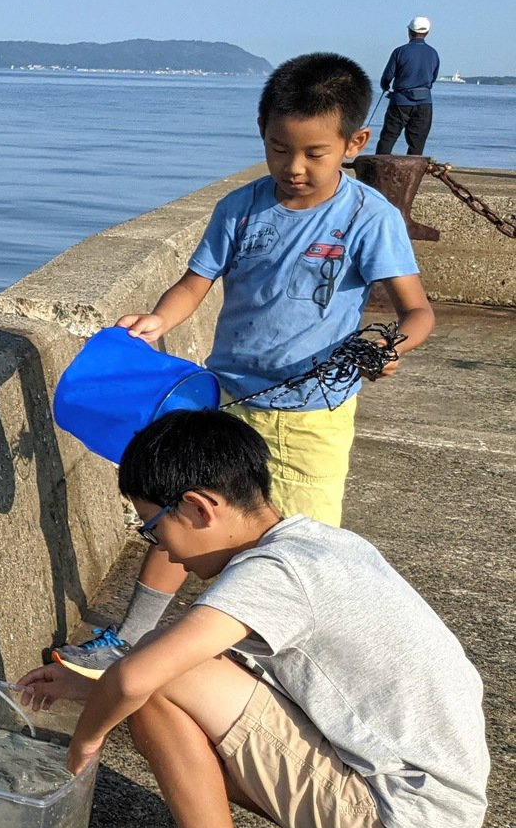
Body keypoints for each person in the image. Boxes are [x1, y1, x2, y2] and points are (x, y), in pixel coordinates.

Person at [19, 409, 488, 828]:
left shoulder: (273, 576)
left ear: (199, 508)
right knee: (181, 669)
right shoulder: (322, 544)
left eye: (153, 528)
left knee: (159, 684)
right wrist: (83, 683)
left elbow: (140, 676)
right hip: (434, 805)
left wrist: (86, 742)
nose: (164, 551)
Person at [53, 52, 435, 674]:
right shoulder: (240, 209)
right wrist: (158, 320)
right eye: (279, 149)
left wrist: (388, 347)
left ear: (354, 143)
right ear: (262, 133)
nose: (294, 167)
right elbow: (194, 283)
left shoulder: (370, 218)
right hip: (227, 400)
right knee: (182, 515)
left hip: (312, 415)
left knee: (300, 549)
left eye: (314, 153)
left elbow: (417, 312)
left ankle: (280, 668)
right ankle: (130, 638)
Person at [376, 16, 440, 156]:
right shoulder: (433, 53)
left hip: (400, 102)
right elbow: (433, 78)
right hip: (424, 103)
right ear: (427, 33)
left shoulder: (400, 51)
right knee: (417, 143)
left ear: (409, 32)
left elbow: (387, 77)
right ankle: (413, 169)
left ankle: (378, 166)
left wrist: (385, 86)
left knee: (388, 138)